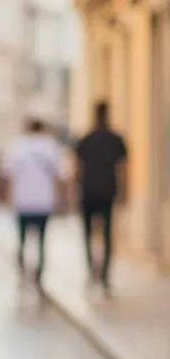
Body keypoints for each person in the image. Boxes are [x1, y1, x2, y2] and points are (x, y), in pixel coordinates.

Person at [0, 118, 64, 288]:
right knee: (42, 239)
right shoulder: (51, 146)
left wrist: (7, 197)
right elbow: (58, 175)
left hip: (22, 200)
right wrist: (60, 198)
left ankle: (22, 269)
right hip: (44, 200)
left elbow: (7, 175)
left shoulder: (18, 146)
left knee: (22, 238)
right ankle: (39, 274)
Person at [75, 101, 128, 293]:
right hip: (107, 192)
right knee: (106, 235)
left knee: (89, 234)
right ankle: (103, 275)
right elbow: (123, 169)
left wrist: (75, 192)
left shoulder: (86, 139)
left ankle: (92, 270)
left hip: (88, 192)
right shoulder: (115, 139)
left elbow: (77, 169)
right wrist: (124, 192)